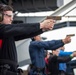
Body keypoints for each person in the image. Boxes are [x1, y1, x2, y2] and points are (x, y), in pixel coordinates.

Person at [0, 4, 56, 75]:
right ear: (0, 16)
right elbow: (19, 28)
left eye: (12, 16)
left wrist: (42, 28)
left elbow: (24, 33)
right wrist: (40, 25)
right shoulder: (3, 30)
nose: (11, 19)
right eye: (9, 16)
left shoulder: (7, 33)